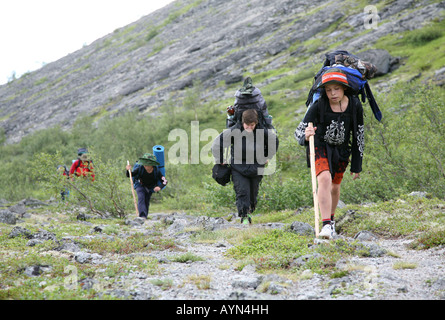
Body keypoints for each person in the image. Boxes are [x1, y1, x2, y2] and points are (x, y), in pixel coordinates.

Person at [294, 68, 364, 239]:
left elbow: (359, 135)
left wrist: (357, 165)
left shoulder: (355, 106)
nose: (333, 93)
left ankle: (331, 221)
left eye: (336, 89)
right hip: (320, 146)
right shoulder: (319, 105)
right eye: (328, 89)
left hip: (342, 149)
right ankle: (326, 225)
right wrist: (306, 135)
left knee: (335, 186)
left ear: (344, 88)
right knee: (324, 178)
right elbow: (298, 132)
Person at [213, 109, 279, 224]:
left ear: (256, 123)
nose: (249, 128)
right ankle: (244, 217)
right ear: (242, 122)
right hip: (238, 167)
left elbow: (274, 142)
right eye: (247, 125)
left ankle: (250, 210)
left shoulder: (262, 131)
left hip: (256, 167)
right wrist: (220, 159)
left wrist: (267, 156)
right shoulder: (235, 130)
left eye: (252, 125)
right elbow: (218, 143)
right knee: (242, 192)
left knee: (253, 194)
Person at [125, 153, 167, 219]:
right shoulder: (140, 168)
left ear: (152, 164)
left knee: (146, 201)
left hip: (150, 188)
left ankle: (145, 216)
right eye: (144, 163)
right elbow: (130, 175)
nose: (145, 165)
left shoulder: (156, 171)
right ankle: (142, 216)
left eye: (147, 164)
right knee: (141, 198)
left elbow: (164, 181)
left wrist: (159, 187)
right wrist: (128, 170)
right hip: (140, 185)